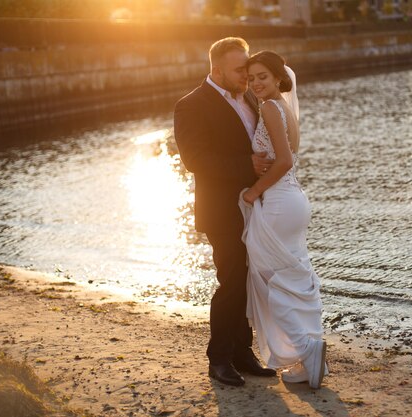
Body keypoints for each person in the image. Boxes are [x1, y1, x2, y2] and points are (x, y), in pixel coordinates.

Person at [174, 37, 276, 387]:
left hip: (254, 205)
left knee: (248, 280)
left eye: (247, 68)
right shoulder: (191, 104)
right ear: (216, 69)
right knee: (231, 281)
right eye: (239, 69)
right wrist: (246, 165)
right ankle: (218, 359)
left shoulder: (248, 96)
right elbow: (194, 160)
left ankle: (243, 353)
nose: (246, 75)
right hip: (221, 209)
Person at [239, 51, 327, 389]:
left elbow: (285, 161)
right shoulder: (285, 108)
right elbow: (286, 155)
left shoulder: (271, 109)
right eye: (252, 78)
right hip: (293, 202)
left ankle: (307, 347)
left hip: (277, 201)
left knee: (270, 279)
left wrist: (252, 192)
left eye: (263, 76)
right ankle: (309, 360)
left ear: (278, 78)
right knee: (293, 277)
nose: (256, 83)